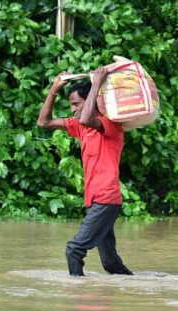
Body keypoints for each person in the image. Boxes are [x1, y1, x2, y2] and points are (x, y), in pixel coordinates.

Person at [37, 68, 133, 277]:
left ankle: (77, 293)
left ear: (90, 100)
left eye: (76, 104)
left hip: (106, 199)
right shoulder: (81, 128)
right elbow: (43, 122)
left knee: (74, 249)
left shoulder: (111, 125)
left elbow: (87, 119)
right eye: (71, 105)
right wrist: (54, 90)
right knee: (110, 264)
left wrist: (96, 84)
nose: (73, 110)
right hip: (96, 201)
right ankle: (137, 289)